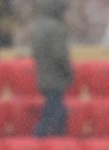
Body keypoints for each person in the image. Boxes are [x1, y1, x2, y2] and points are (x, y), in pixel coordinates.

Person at [30, 0, 72, 137]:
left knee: (59, 111)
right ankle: (39, 136)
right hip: (56, 77)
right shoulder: (56, 28)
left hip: (43, 75)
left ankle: (59, 138)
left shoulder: (38, 26)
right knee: (53, 112)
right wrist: (69, 71)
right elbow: (60, 55)